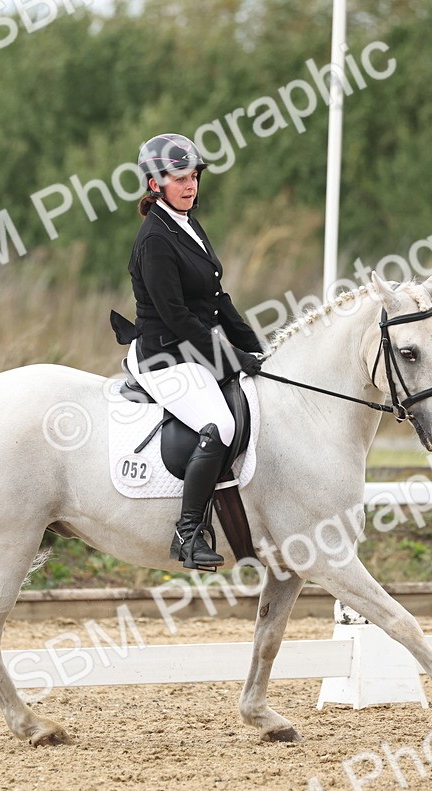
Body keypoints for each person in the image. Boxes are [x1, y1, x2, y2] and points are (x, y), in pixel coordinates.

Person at [115, 133, 265, 569]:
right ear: (154, 183)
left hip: (192, 348)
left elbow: (218, 300)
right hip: (163, 354)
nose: (190, 185)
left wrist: (258, 348)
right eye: (179, 178)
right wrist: (231, 359)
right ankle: (188, 534)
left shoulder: (187, 224)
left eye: (194, 175)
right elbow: (178, 317)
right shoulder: (155, 239)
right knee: (217, 424)